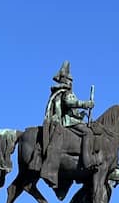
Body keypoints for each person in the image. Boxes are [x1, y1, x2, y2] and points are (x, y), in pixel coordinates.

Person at [40, 60, 94, 189]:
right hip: (68, 123)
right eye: (70, 79)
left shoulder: (62, 91)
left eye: (71, 80)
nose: (71, 82)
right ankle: (87, 162)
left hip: (71, 119)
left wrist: (82, 114)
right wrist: (86, 104)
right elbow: (70, 103)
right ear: (65, 80)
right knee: (88, 132)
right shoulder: (65, 92)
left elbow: (72, 110)